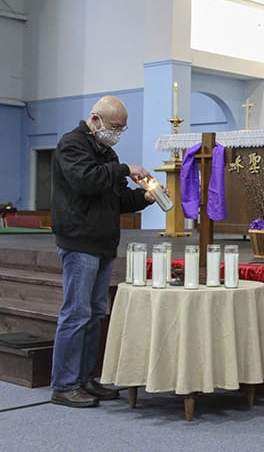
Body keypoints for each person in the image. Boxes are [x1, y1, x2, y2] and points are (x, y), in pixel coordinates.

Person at [50, 95, 160, 408]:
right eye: (114, 126)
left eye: (122, 129)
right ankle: (64, 384)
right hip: (79, 243)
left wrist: (146, 198)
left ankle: (85, 379)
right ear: (95, 120)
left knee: (95, 313)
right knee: (76, 313)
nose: (117, 133)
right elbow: (86, 181)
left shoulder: (107, 152)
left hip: (102, 244)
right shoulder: (71, 145)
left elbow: (117, 199)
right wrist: (125, 168)